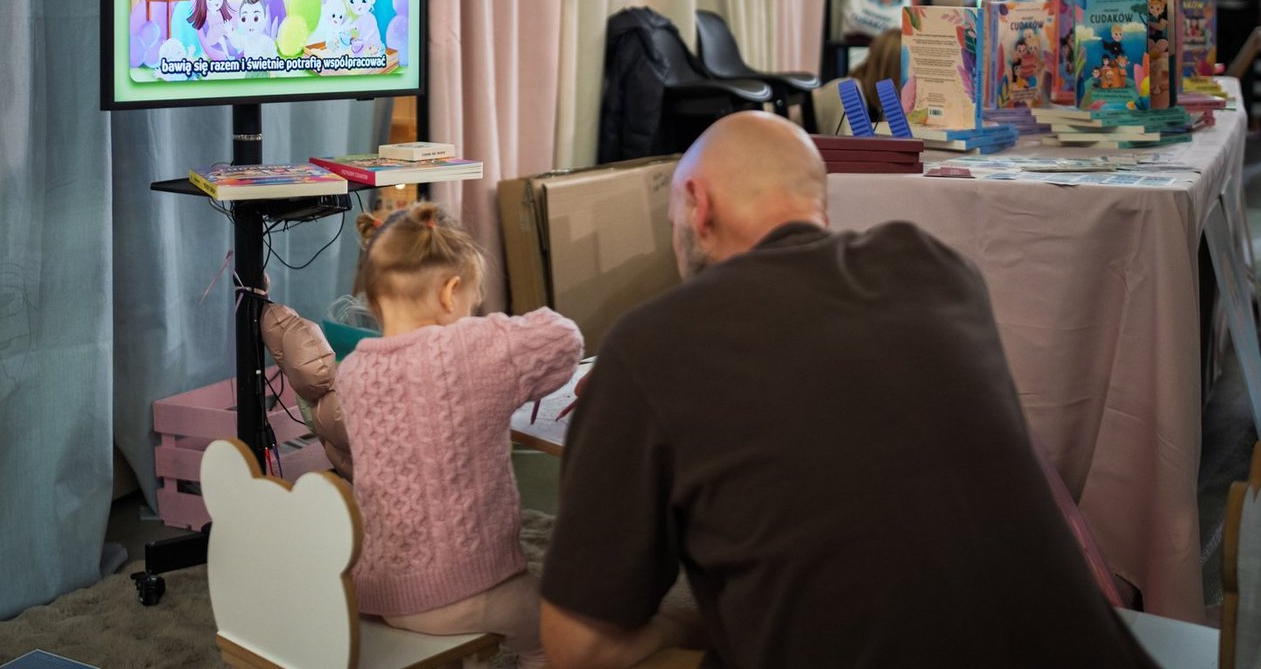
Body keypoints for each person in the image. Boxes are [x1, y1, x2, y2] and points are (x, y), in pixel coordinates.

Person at [540, 113, 1158, 669]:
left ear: (698, 207)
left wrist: (688, 622)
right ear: (819, 207)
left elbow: (578, 648)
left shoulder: (652, 343)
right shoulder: (937, 271)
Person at [335, 203, 583, 668]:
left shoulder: (351, 373)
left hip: (380, 594)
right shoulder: (470, 347)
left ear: (372, 297)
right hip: (469, 590)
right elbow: (564, 337)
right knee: (554, 637)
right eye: (472, 300)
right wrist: (481, 328)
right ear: (450, 292)